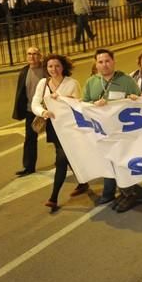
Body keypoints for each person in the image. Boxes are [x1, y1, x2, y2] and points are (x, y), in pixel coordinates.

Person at [82, 49, 141, 205]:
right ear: (96, 64)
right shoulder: (91, 82)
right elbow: (84, 105)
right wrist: (93, 105)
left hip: (122, 132)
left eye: (107, 61)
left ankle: (129, 194)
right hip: (101, 132)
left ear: (113, 61)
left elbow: (141, 103)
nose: (104, 65)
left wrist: (134, 99)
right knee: (107, 161)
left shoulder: (126, 81)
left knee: (122, 163)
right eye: (100, 62)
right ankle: (108, 192)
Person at [31, 54, 88, 212]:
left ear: (63, 67)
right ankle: (83, 182)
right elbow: (35, 103)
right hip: (53, 127)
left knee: (61, 159)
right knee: (66, 156)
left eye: (57, 66)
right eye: (50, 66)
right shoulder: (43, 83)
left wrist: (62, 98)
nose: (53, 69)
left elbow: (78, 104)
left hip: (69, 128)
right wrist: (43, 112)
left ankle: (53, 197)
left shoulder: (72, 83)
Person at [13, 47, 45, 176]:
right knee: (30, 139)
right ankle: (29, 167)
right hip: (31, 111)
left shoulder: (46, 70)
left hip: (48, 110)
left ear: (40, 56)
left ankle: (65, 162)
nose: (32, 56)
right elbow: (21, 92)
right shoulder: (24, 71)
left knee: (57, 139)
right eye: (29, 54)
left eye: (35, 54)